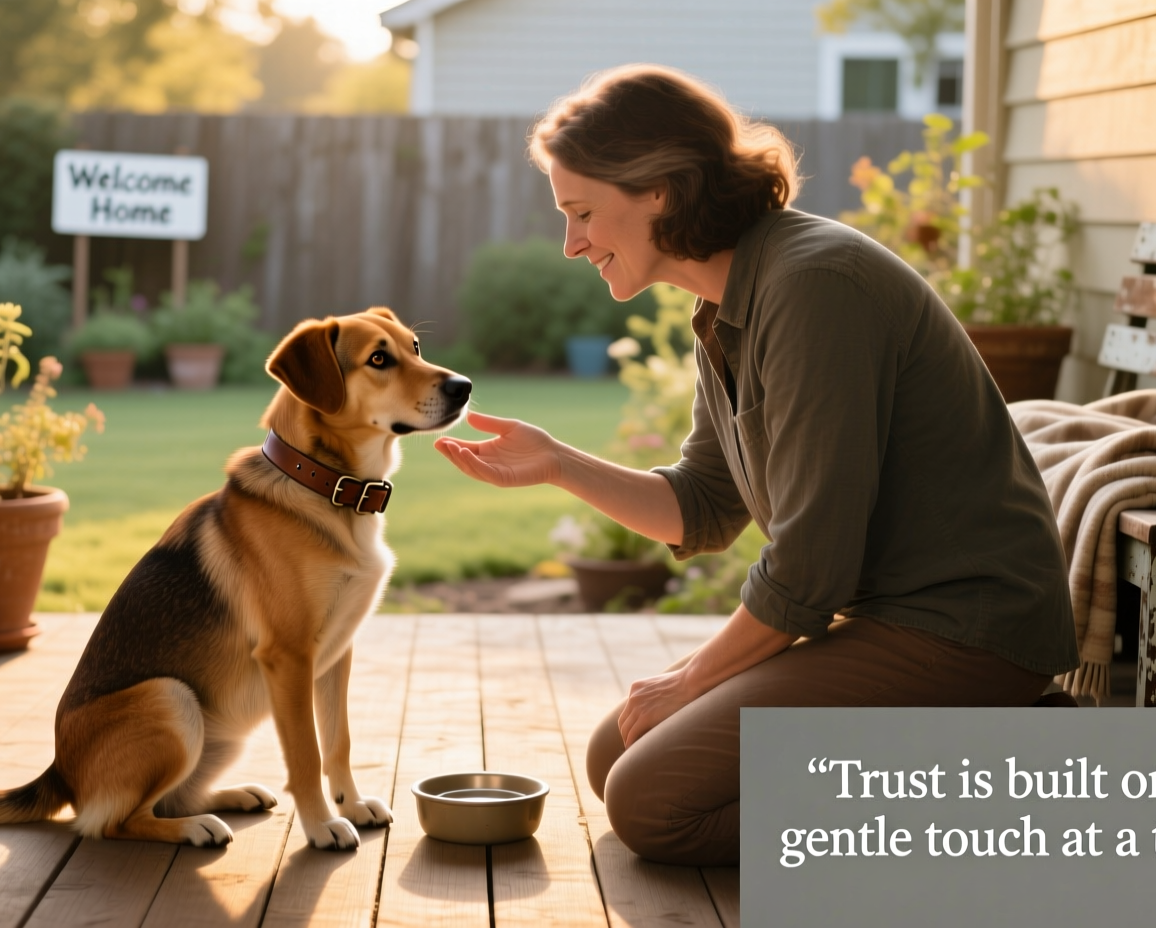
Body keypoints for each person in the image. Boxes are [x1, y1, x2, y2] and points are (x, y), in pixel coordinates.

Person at [432, 65, 1078, 867]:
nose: (572, 244)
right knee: (614, 756)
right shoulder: (729, 304)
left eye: (584, 213)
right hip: (879, 621)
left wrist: (692, 679)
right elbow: (703, 506)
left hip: (966, 633)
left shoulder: (814, 288)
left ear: (660, 190)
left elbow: (811, 566)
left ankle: (1008, 780)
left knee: (652, 805)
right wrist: (558, 464)